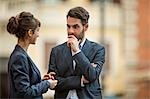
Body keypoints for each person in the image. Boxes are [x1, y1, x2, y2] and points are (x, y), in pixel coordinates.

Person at [47, 6, 105, 99]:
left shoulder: (98, 50)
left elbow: (92, 75)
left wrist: (77, 51)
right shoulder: (56, 51)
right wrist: (80, 81)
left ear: (85, 27)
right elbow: (52, 82)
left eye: (75, 27)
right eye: (68, 26)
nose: (70, 31)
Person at [7, 11, 57, 99]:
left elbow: (27, 86)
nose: (38, 35)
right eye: (37, 31)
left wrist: (42, 81)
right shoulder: (19, 57)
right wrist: (47, 84)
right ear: (30, 32)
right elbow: (25, 93)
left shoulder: (21, 55)